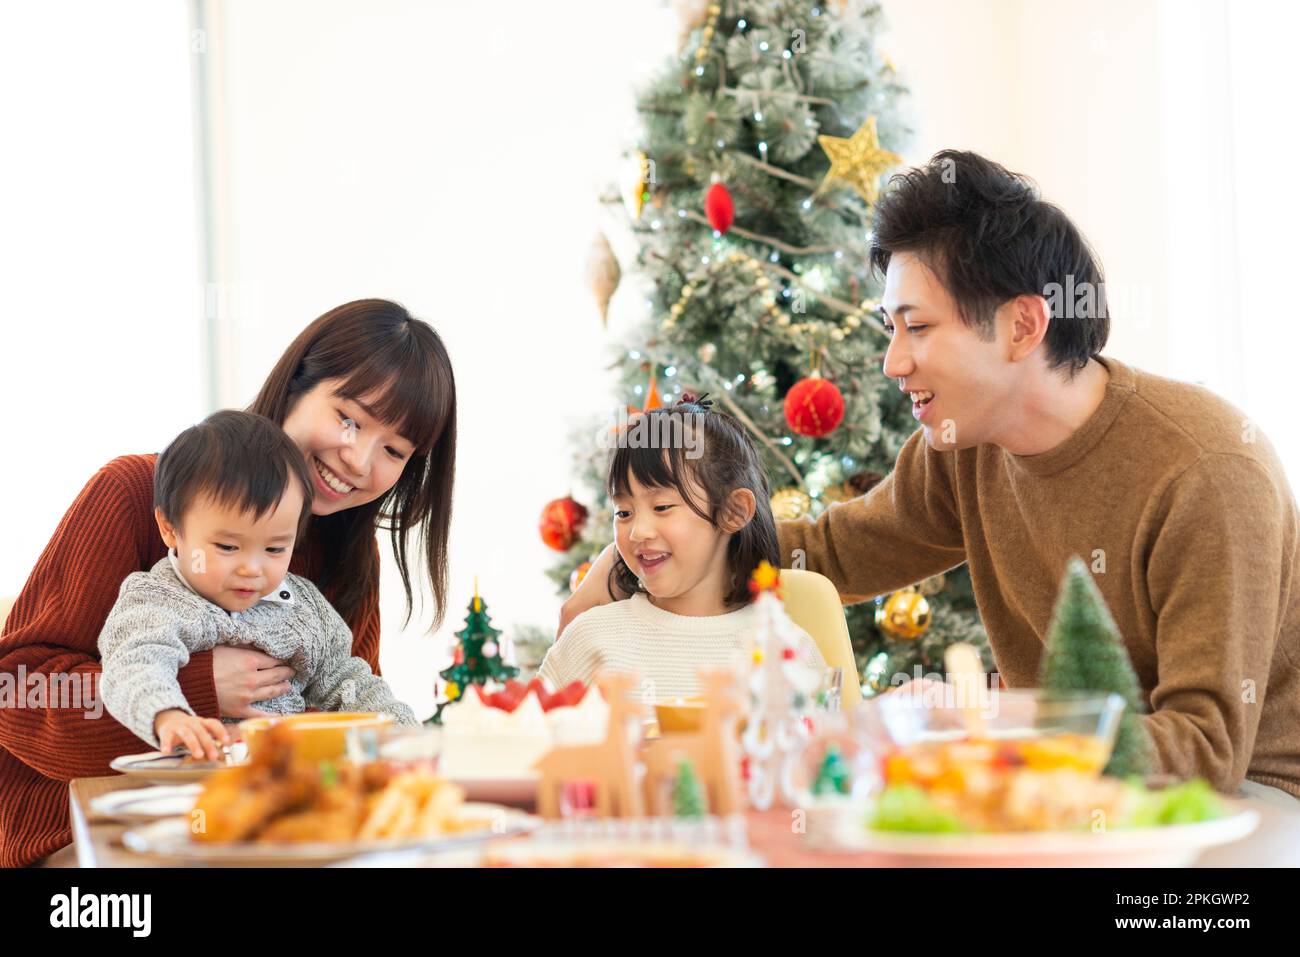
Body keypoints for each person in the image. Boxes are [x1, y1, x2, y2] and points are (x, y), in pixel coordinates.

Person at [563, 151, 1300, 804]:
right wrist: (638, 554)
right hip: (1063, 792)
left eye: (917, 327)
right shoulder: (962, 446)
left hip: (1250, 806)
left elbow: (1204, 750)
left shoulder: (1205, 469)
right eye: (891, 328)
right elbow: (832, 551)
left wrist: (978, 714)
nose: (893, 362)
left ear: (1022, 326)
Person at [0, 298, 456, 866]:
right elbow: (14, 691)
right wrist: (196, 692)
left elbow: (347, 696)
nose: (360, 459)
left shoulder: (348, 553)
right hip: (88, 826)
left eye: (393, 449)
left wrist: (401, 745)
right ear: (294, 387)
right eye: (349, 418)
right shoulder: (134, 494)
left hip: (262, 823)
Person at [99, 410, 417, 758]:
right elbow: (134, 665)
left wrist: (401, 732)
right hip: (187, 784)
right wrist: (167, 715)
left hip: (277, 780)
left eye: (275, 548)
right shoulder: (158, 600)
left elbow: (347, 681)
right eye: (228, 547)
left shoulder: (304, 608)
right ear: (170, 528)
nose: (252, 569)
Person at [540, 395, 824, 700]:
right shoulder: (590, 637)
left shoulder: (786, 650)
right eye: (623, 512)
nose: (638, 531)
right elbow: (530, 740)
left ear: (734, 512)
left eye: (662, 506)